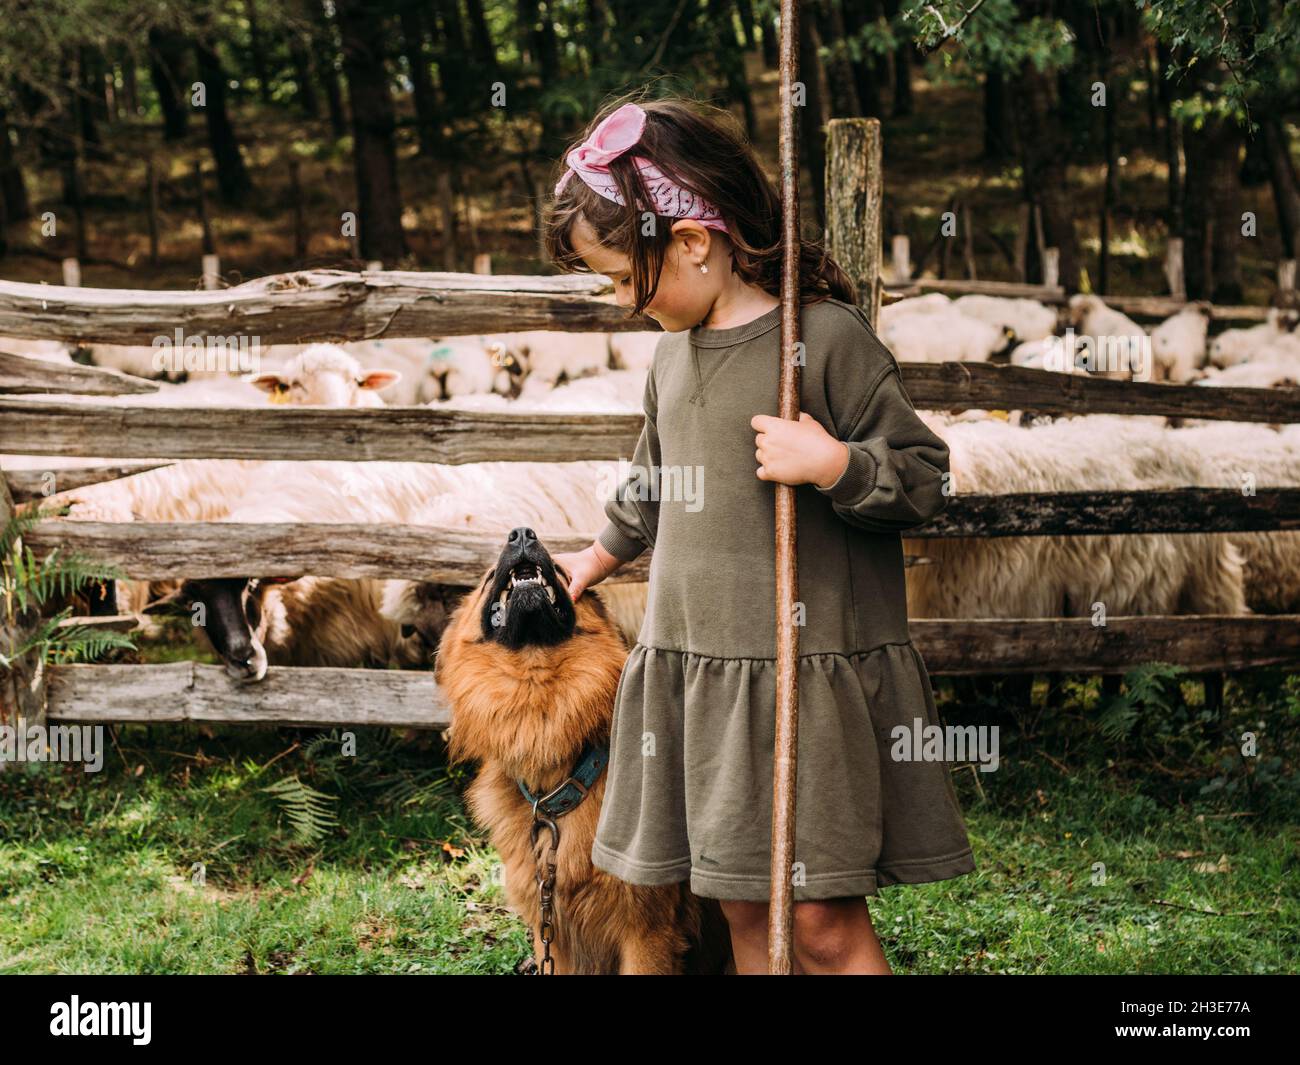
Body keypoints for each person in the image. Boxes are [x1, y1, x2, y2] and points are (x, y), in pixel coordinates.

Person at [547, 95, 975, 975]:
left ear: (695, 242)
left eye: (627, 275)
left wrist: (831, 464)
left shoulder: (820, 340)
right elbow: (652, 480)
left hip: (801, 682)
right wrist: (595, 557)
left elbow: (924, 477)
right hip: (702, 675)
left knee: (820, 922)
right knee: (741, 905)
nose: (624, 301)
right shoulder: (673, 357)